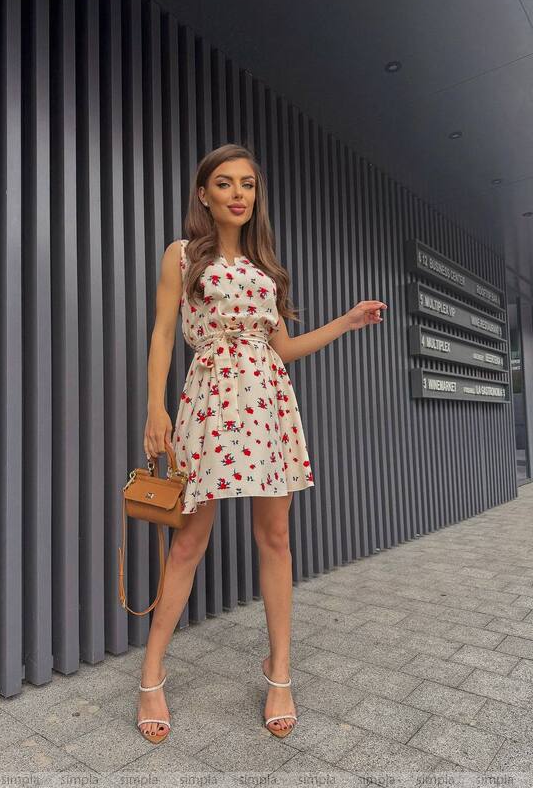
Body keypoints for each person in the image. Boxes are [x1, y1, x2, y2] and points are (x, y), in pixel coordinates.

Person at [136, 143, 387, 743]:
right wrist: (154, 408)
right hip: (209, 401)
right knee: (188, 540)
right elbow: (164, 333)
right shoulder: (181, 256)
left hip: (269, 406)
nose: (238, 194)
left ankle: (279, 671)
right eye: (224, 183)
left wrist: (345, 322)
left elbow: (284, 348)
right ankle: (151, 673)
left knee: (275, 537)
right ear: (204, 194)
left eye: (247, 184)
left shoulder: (265, 271)